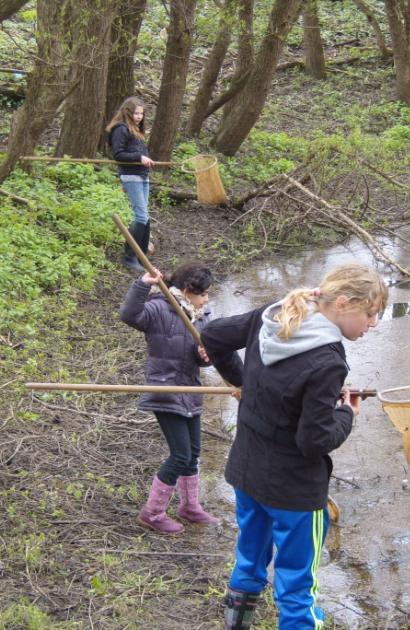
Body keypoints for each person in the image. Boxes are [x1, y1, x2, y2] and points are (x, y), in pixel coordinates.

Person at [200, 263, 388, 629]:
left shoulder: (275, 313)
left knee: (250, 559)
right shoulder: (328, 361)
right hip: (294, 493)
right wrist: (346, 414)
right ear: (344, 303)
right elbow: (313, 441)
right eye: (370, 313)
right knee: (297, 585)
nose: (373, 323)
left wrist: (245, 385)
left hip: (247, 472)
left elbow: (214, 337)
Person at [120, 261, 219, 535]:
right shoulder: (159, 307)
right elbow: (129, 315)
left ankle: (189, 507)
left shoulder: (202, 314)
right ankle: (152, 513)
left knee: (194, 453)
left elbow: (206, 355)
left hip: (192, 390)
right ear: (187, 290)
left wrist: (206, 357)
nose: (207, 298)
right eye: (203, 293)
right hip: (165, 390)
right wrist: (142, 285)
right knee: (180, 454)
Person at [106, 96, 155, 271]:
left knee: (145, 216)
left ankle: (142, 257)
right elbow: (118, 155)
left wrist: (145, 160)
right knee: (141, 216)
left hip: (142, 176)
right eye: (136, 113)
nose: (139, 116)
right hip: (131, 176)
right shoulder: (121, 129)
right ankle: (129, 256)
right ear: (128, 112)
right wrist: (138, 157)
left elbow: (137, 152)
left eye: (141, 113)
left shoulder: (136, 130)